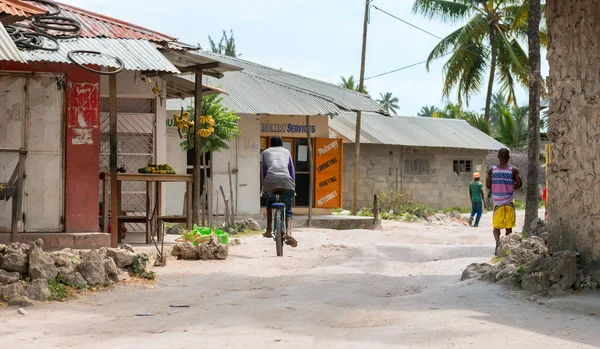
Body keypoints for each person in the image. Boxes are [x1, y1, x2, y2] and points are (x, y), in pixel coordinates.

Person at [261, 136, 297, 247]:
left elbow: (263, 171)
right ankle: (289, 232)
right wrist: (292, 186)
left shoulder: (265, 152)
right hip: (286, 181)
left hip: (270, 181)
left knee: (269, 203)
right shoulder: (287, 152)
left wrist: (264, 186)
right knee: (288, 208)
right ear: (281, 143)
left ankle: (268, 230)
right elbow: (291, 170)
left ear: (270, 144)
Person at [486, 148, 522, 255]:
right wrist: (509, 187)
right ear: (508, 157)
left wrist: (498, 186)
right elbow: (519, 184)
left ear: (498, 157)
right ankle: (507, 246)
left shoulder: (492, 170)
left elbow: (488, 185)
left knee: (496, 226)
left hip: (497, 202)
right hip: (509, 201)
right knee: (509, 226)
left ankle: (498, 243)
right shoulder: (513, 170)